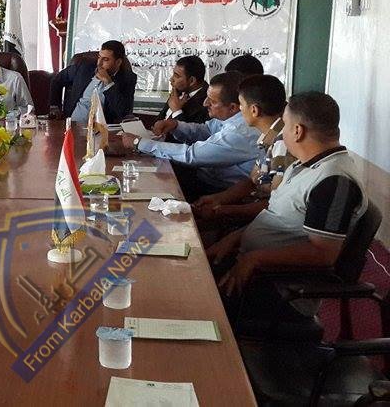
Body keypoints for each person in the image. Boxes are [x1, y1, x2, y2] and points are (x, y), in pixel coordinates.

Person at [206, 92, 367, 317]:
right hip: (252, 264)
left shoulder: (334, 180)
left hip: (279, 287)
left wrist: (254, 258)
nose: (281, 132)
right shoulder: (302, 165)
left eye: (285, 124)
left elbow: (322, 254)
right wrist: (235, 237)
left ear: (297, 131)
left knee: (187, 296)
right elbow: (277, 214)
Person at [120, 72, 262, 201]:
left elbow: (191, 155)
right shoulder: (232, 117)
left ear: (233, 107)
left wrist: (139, 143)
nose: (205, 103)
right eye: (207, 97)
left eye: (212, 101)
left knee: (145, 187)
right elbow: (206, 130)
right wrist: (176, 125)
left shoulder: (240, 132)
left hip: (220, 190)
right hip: (203, 179)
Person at [193, 75, 294, 228]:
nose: (238, 110)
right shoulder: (267, 136)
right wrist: (219, 199)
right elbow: (252, 181)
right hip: (248, 209)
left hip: (265, 222)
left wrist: (224, 210)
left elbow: (274, 202)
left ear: (254, 110)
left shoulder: (283, 144)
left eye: (241, 105)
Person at [49, 40, 137, 124]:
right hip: (74, 124)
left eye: (105, 59)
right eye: (99, 57)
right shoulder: (83, 68)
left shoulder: (127, 79)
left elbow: (123, 112)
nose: (99, 63)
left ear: (118, 62)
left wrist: (108, 83)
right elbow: (57, 80)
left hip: (102, 130)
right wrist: (54, 106)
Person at [155, 55, 209, 125]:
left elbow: (193, 131)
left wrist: (177, 111)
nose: (171, 79)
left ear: (192, 81)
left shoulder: (208, 101)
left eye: (176, 76)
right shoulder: (178, 91)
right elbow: (160, 119)